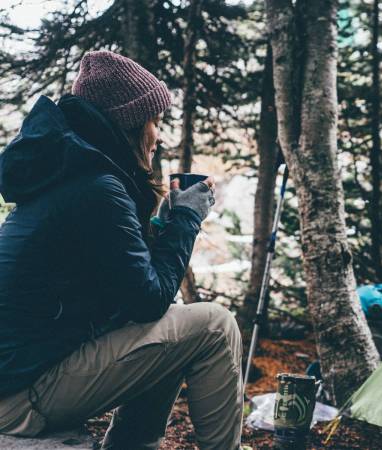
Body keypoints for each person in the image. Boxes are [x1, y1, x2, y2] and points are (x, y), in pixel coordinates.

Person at [0, 50, 243, 449]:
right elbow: (147, 301)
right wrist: (187, 220)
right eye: (155, 121)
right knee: (215, 325)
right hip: (21, 395)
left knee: (174, 329)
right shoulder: (98, 188)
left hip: (19, 378)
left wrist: (163, 224)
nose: (158, 136)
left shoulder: (72, 177)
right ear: (129, 123)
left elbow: (132, 295)